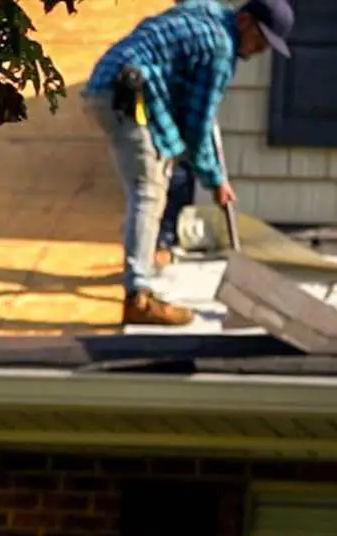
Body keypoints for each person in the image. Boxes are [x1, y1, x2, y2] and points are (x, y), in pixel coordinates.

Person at [85, 0, 294, 326]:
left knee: (160, 169)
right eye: (261, 39)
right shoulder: (221, 49)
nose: (260, 50)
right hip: (125, 93)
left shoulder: (209, 11)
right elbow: (197, 127)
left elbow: (192, 114)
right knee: (148, 191)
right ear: (244, 20)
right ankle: (138, 297)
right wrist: (215, 180)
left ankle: (142, 265)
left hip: (116, 82)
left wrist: (211, 173)